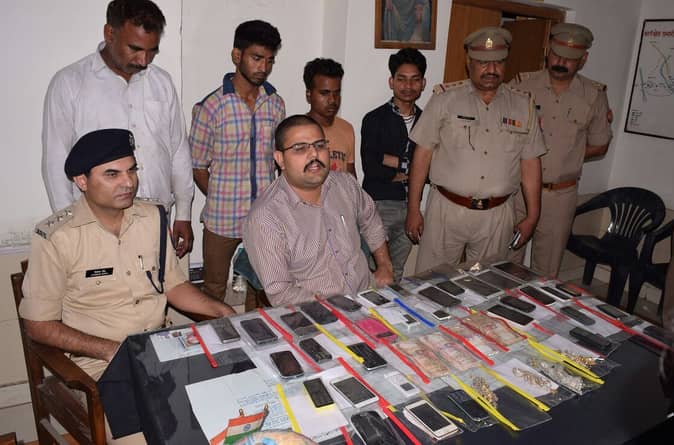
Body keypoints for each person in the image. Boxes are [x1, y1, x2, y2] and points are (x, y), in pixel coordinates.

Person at [20, 129, 234, 444]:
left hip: (160, 350)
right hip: (101, 366)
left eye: (131, 170)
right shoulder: (57, 237)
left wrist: (223, 312)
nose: (128, 182)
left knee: (226, 417)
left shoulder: (153, 217)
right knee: (152, 438)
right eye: (112, 174)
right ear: (82, 181)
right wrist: (110, 350)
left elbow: (173, 285)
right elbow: (38, 325)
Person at [42, 0, 194, 258]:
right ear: (109, 33)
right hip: (98, 227)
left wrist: (184, 212)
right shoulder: (70, 83)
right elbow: (56, 163)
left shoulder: (161, 82)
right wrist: (73, 228)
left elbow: (178, 149)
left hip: (158, 221)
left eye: (152, 51)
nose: (144, 60)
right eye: (135, 49)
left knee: (161, 284)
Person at [405, 27, 546, 273]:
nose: (491, 69)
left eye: (498, 62)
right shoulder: (444, 99)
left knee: (486, 285)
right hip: (446, 210)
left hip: (497, 216)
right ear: (468, 63)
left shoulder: (523, 106)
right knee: (431, 282)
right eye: (483, 62)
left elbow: (531, 164)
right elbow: (422, 155)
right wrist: (413, 208)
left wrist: (533, 216)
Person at [243, 115, 394, 306]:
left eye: (320, 145)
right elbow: (281, 294)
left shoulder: (345, 184)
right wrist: (342, 308)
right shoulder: (266, 217)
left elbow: (371, 220)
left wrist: (384, 266)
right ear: (280, 159)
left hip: (368, 295)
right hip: (318, 312)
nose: (314, 154)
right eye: (300, 148)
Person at [190, 20, 284, 310]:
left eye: (269, 60)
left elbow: (280, 159)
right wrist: (220, 196)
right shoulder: (211, 106)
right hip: (222, 218)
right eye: (256, 58)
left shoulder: (275, 104)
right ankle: (215, 338)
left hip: (265, 218)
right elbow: (198, 166)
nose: (263, 67)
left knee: (262, 288)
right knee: (213, 289)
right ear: (236, 55)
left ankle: (258, 336)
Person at [510, 23, 612, 277]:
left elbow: (601, 143)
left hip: (559, 196)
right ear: (548, 51)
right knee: (505, 262)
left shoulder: (594, 95)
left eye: (569, 59)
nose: (561, 62)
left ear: (583, 60)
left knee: (546, 273)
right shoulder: (522, 85)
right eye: (556, 55)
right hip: (518, 191)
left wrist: (569, 156)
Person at [361, 48, 426, 282]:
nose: (408, 86)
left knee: (397, 272)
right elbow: (371, 167)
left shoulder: (428, 120)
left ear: (423, 83)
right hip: (379, 205)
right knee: (372, 271)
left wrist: (392, 161)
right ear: (392, 82)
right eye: (402, 79)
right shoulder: (374, 119)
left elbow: (431, 170)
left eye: (415, 79)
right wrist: (414, 167)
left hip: (411, 206)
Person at [304, 58, 356, 176]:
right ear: (309, 95)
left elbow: (351, 177)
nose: (332, 100)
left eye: (336, 93)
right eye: (324, 93)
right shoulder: (297, 131)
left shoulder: (346, 128)